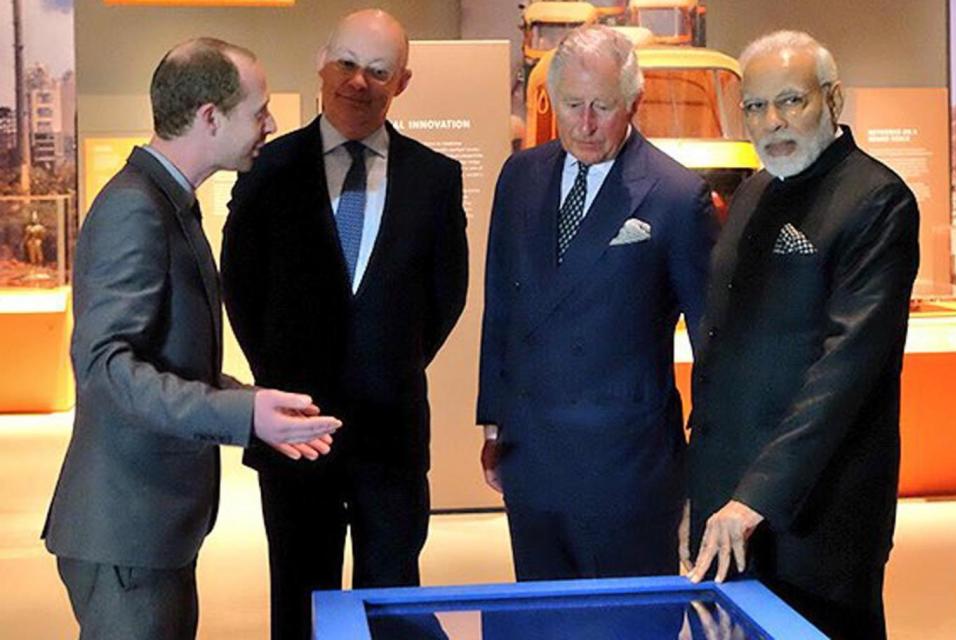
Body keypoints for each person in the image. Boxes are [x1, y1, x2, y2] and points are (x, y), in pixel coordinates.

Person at [42, 38, 342, 640]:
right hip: (127, 533)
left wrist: (253, 402)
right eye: (258, 112)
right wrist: (241, 414)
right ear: (210, 116)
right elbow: (106, 370)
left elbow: (166, 361)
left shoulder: (166, 201)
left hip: (150, 530)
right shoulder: (136, 208)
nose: (271, 124)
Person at [220, 10, 468, 639]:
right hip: (294, 433)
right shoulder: (268, 170)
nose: (360, 82)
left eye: (379, 71)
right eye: (349, 64)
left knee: (393, 604)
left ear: (402, 82)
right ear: (323, 63)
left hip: (393, 436)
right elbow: (241, 287)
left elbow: (447, 297)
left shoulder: (435, 178)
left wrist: (385, 360)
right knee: (300, 600)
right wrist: (279, 377)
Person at [684, 31, 919, 639]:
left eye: (791, 100)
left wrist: (755, 497)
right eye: (756, 106)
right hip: (731, 506)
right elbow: (723, 349)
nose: (773, 122)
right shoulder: (756, 192)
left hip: (819, 513)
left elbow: (845, 371)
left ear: (832, 99)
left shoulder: (877, 200)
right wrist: (705, 487)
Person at [477, 24, 715, 581]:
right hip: (531, 453)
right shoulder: (520, 176)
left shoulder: (678, 195)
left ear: (633, 103)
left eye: (603, 107)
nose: (585, 124)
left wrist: (706, 466)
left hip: (628, 468)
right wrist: (493, 423)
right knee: (540, 617)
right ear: (551, 101)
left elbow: (714, 342)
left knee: (626, 622)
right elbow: (501, 307)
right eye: (573, 105)